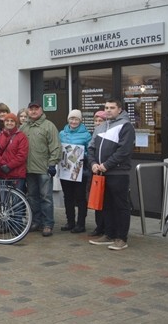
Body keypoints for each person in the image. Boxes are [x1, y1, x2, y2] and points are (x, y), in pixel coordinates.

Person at [88, 99, 135, 251]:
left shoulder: (126, 126)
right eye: (106, 107)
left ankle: (121, 238)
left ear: (119, 109)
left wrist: (107, 165)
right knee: (106, 205)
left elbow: (124, 151)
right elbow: (91, 148)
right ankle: (109, 234)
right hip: (101, 173)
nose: (108, 110)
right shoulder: (101, 126)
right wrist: (93, 163)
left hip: (118, 173)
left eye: (112, 108)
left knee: (121, 205)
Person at [20, 101, 62, 237]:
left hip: (43, 169)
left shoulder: (49, 126)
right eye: (31, 109)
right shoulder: (24, 127)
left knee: (46, 198)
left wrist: (52, 163)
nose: (33, 111)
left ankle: (48, 224)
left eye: (36, 109)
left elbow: (55, 146)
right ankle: (35, 222)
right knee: (32, 197)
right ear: (28, 111)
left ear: (41, 110)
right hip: (28, 169)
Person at [58, 109, 92, 233]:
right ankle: (70, 222)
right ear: (68, 120)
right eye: (71, 119)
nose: (73, 121)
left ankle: (81, 224)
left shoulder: (86, 134)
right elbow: (58, 148)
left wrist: (81, 154)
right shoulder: (62, 133)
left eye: (76, 119)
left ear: (80, 120)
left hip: (80, 171)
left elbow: (90, 151)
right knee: (68, 197)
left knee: (80, 198)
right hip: (66, 170)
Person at [0, 113, 28, 192]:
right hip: (2, 173)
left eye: (12, 121)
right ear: (4, 122)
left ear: (16, 123)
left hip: (17, 174)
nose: (9, 123)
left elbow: (22, 155)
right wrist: (3, 164)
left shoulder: (21, 136)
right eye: (7, 121)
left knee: (16, 201)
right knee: (3, 201)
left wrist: (9, 166)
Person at [89, 110, 108, 236]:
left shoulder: (109, 133)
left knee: (107, 201)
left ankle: (107, 227)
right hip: (96, 171)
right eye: (96, 121)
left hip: (107, 170)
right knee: (97, 199)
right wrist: (93, 163)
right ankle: (99, 226)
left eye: (100, 120)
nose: (97, 123)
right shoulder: (94, 134)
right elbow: (91, 149)